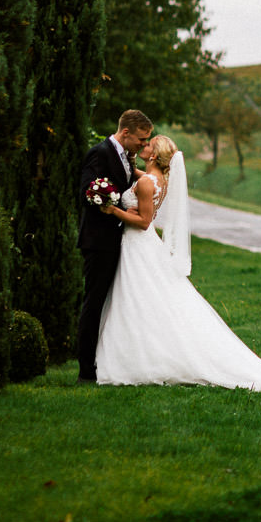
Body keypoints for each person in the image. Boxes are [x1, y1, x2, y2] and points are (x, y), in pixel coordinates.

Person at [94, 135, 261, 396]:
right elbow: (139, 183)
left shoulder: (148, 182)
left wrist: (112, 209)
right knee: (142, 300)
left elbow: (145, 221)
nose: (143, 145)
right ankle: (141, 354)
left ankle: (139, 359)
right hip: (141, 247)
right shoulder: (154, 179)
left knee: (138, 299)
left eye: (147, 145)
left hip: (140, 244)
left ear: (153, 155)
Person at [76, 109, 153, 383]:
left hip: (117, 239)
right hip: (98, 241)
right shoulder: (100, 152)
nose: (144, 144)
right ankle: (86, 371)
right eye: (142, 139)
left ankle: (107, 362)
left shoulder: (125, 157)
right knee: (94, 302)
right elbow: (88, 192)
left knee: (110, 303)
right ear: (126, 133)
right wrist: (115, 206)